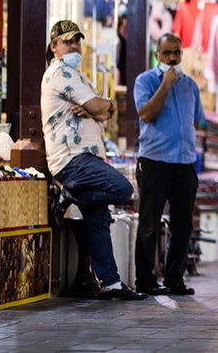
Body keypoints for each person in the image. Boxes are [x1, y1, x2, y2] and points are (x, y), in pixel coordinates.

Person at [40, 20, 147, 301]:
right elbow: (100, 107)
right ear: (54, 47)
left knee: (99, 220)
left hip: (86, 158)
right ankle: (72, 192)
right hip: (74, 160)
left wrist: (104, 105)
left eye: (77, 40)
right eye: (67, 41)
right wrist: (100, 105)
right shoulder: (61, 72)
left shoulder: (78, 75)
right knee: (123, 189)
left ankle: (110, 282)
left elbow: (104, 111)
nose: (74, 45)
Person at [133, 33, 205, 296]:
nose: (172, 58)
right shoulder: (146, 81)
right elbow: (146, 115)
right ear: (157, 55)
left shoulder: (191, 86)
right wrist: (165, 84)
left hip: (185, 162)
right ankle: (146, 280)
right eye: (167, 53)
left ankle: (175, 279)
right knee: (149, 223)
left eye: (176, 53)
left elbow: (197, 122)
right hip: (155, 161)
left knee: (183, 225)